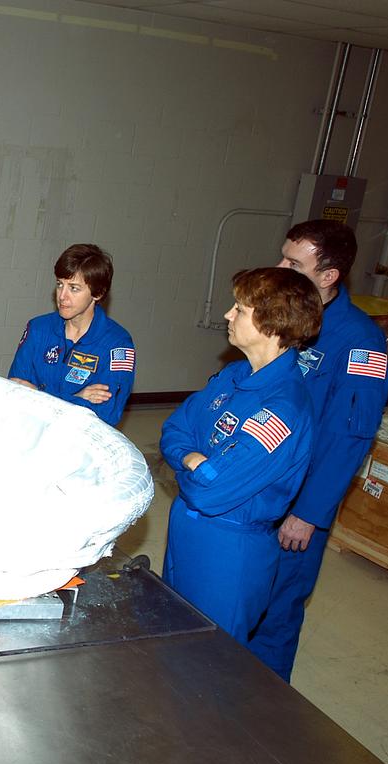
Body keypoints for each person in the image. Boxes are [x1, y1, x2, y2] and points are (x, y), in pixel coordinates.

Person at [249, 220, 388, 681]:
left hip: (297, 498)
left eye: (294, 263)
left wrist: (309, 513)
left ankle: (264, 705)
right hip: (257, 484)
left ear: (328, 276)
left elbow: (348, 437)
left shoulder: (358, 342)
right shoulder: (285, 316)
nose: (279, 267)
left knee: (277, 605)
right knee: (242, 593)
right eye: (281, 256)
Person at [160, 267, 322, 648]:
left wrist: (195, 468)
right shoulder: (233, 374)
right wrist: (193, 460)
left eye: (240, 309)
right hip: (188, 532)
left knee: (210, 660)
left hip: (228, 552)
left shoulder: (282, 408)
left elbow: (210, 493)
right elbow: (172, 430)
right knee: (168, 640)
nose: (227, 316)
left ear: (272, 326)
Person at [8, 243, 136, 426]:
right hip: (31, 432)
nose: (62, 296)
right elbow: (16, 391)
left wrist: (39, 394)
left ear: (98, 293)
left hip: (79, 442)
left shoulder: (117, 345)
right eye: (60, 284)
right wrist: (76, 397)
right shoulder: (38, 329)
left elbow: (105, 414)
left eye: (74, 288)